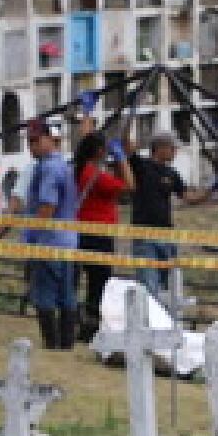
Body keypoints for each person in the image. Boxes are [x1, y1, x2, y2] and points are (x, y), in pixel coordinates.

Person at [21, 119, 81, 350]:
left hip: (48, 242)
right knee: (67, 294)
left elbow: (47, 206)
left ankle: (52, 342)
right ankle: (66, 344)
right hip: (68, 241)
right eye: (29, 142)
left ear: (49, 139)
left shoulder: (48, 167)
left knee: (45, 295)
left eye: (36, 141)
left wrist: (32, 236)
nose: (32, 147)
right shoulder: (63, 166)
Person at [70, 129, 134, 342]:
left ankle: (86, 323)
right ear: (99, 151)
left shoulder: (82, 170)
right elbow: (129, 186)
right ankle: (90, 327)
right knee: (100, 283)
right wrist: (122, 160)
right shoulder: (95, 174)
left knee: (92, 282)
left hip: (85, 230)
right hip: (98, 233)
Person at [128, 131, 187, 300]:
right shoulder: (141, 166)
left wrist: (212, 190)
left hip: (166, 235)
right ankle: (149, 324)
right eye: (172, 148)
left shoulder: (172, 174)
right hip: (144, 235)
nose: (175, 151)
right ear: (160, 148)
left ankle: (163, 322)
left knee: (167, 285)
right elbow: (127, 144)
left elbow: (187, 196)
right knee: (149, 286)